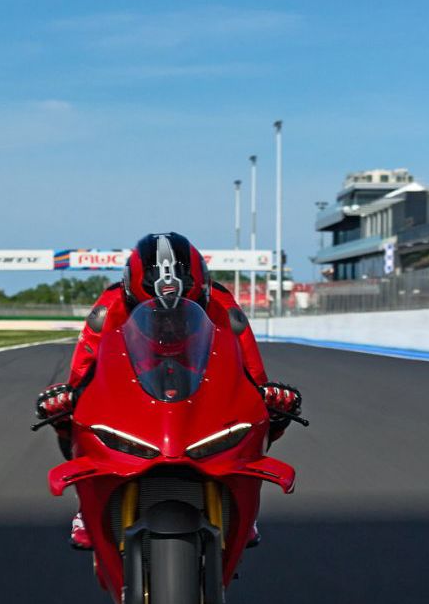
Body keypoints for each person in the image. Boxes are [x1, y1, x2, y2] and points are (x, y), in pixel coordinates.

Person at [35, 233, 301, 549]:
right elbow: (82, 373)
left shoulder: (225, 307)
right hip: (135, 371)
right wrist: (66, 399)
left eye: (181, 311)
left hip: (200, 368)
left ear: (202, 293)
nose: (170, 324)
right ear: (130, 296)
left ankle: (243, 502)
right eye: (157, 312)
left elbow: (253, 375)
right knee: (68, 414)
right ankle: (86, 510)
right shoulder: (107, 310)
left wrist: (269, 398)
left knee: (266, 411)